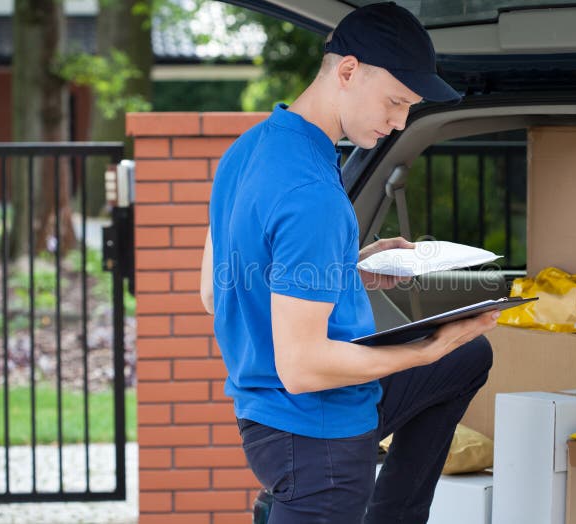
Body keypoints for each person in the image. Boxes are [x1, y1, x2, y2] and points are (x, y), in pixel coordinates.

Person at [199, 3, 498, 522]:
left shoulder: (247, 151)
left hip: (271, 419)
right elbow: (304, 368)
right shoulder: (312, 193)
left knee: (468, 356)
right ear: (348, 71)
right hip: (319, 440)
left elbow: (217, 290)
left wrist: (346, 270)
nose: (400, 121)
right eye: (395, 102)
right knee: (447, 352)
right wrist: (427, 350)